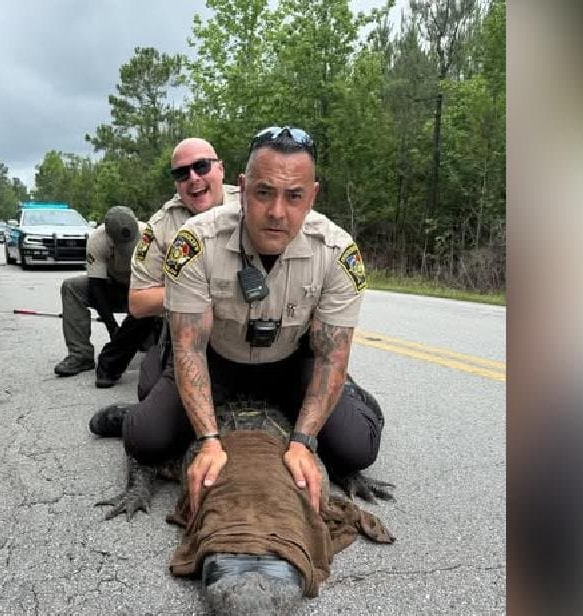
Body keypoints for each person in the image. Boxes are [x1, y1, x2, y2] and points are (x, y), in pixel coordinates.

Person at [121, 125, 384, 514]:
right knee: (146, 439)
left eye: (294, 196)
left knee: (355, 448)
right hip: (216, 360)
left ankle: (353, 397)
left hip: (291, 361)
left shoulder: (337, 252)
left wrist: (304, 442)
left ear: (312, 195)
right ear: (242, 189)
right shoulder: (195, 242)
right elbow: (189, 348)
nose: (277, 212)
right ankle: (129, 417)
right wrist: (209, 441)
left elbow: (332, 356)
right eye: (263, 193)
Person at [92, 137, 240, 393]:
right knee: (149, 393)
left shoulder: (254, 204)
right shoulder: (159, 226)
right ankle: (110, 365)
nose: (193, 177)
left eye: (202, 166)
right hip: (187, 326)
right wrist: (215, 289)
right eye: (182, 173)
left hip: (256, 326)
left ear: (221, 168)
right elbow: (138, 303)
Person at [52, 206, 148, 380]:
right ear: (110, 237)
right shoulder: (97, 240)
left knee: (150, 345)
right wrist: (113, 328)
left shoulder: (151, 235)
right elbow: (97, 288)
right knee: (71, 287)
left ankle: (154, 343)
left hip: (143, 291)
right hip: (112, 288)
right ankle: (80, 355)